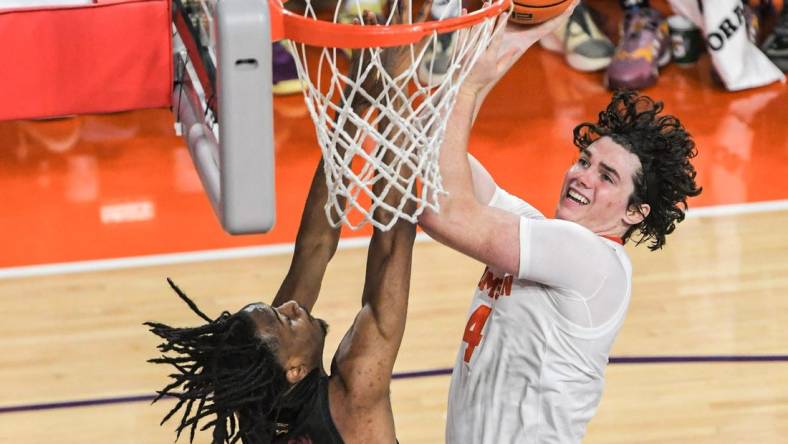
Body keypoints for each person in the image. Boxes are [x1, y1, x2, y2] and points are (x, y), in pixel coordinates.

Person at [417, 10, 702, 443]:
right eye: (585, 160)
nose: (582, 176)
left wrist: (471, 84)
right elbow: (439, 157)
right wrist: (503, 46)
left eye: (607, 177)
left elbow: (444, 212)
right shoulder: (543, 235)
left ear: (634, 213)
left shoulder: (589, 259)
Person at [145, 6, 425, 442]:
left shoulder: (268, 380)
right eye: (287, 319)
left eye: (279, 310)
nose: (293, 307)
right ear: (294, 369)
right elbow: (392, 243)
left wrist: (355, 99)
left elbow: (316, 245)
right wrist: (393, 89)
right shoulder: (353, 394)